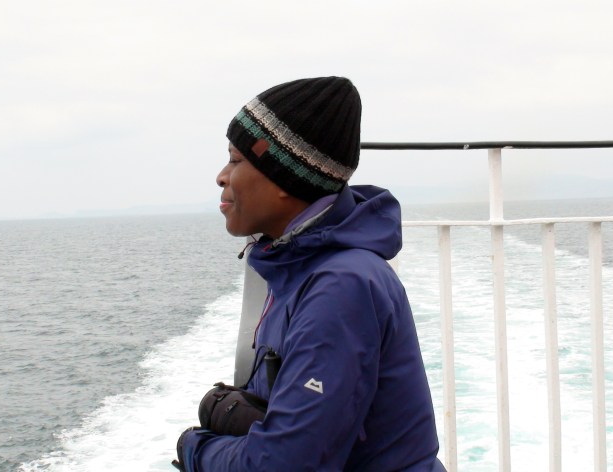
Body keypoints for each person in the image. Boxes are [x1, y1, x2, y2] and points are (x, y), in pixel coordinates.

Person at [174, 77, 444, 471]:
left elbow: (283, 466)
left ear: (285, 179)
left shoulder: (342, 286)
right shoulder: (296, 267)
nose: (222, 176)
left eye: (235, 160)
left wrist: (195, 448)